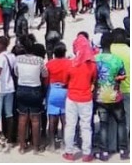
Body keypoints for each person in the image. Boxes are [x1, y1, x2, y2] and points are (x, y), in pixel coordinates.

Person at [94, 32, 128, 161]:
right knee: (121, 122)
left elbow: (93, 77)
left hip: (101, 96)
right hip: (115, 95)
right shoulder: (117, 59)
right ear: (111, 44)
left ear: (101, 44)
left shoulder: (96, 59)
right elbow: (123, 76)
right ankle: (124, 151)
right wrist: (116, 79)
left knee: (103, 124)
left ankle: (104, 153)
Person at [62, 34, 97, 162]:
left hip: (72, 97)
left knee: (70, 125)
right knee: (86, 126)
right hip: (86, 98)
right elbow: (94, 79)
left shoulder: (72, 64)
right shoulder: (92, 64)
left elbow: (65, 80)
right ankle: (87, 153)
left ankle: (69, 152)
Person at [0, 36, 16, 150]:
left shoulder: (1, 57)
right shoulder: (12, 56)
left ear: (1, 44)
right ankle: (10, 139)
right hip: (10, 88)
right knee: (9, 114)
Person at [45, 42, 70, 151]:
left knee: (52, 119)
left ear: (54, 53)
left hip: (52, 91)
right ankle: (65, 143)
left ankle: (52, 144)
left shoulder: (49, 64)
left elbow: (46, 80)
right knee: (64, 119)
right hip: (65, 91)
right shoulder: (69, 63)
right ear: (65, 52)